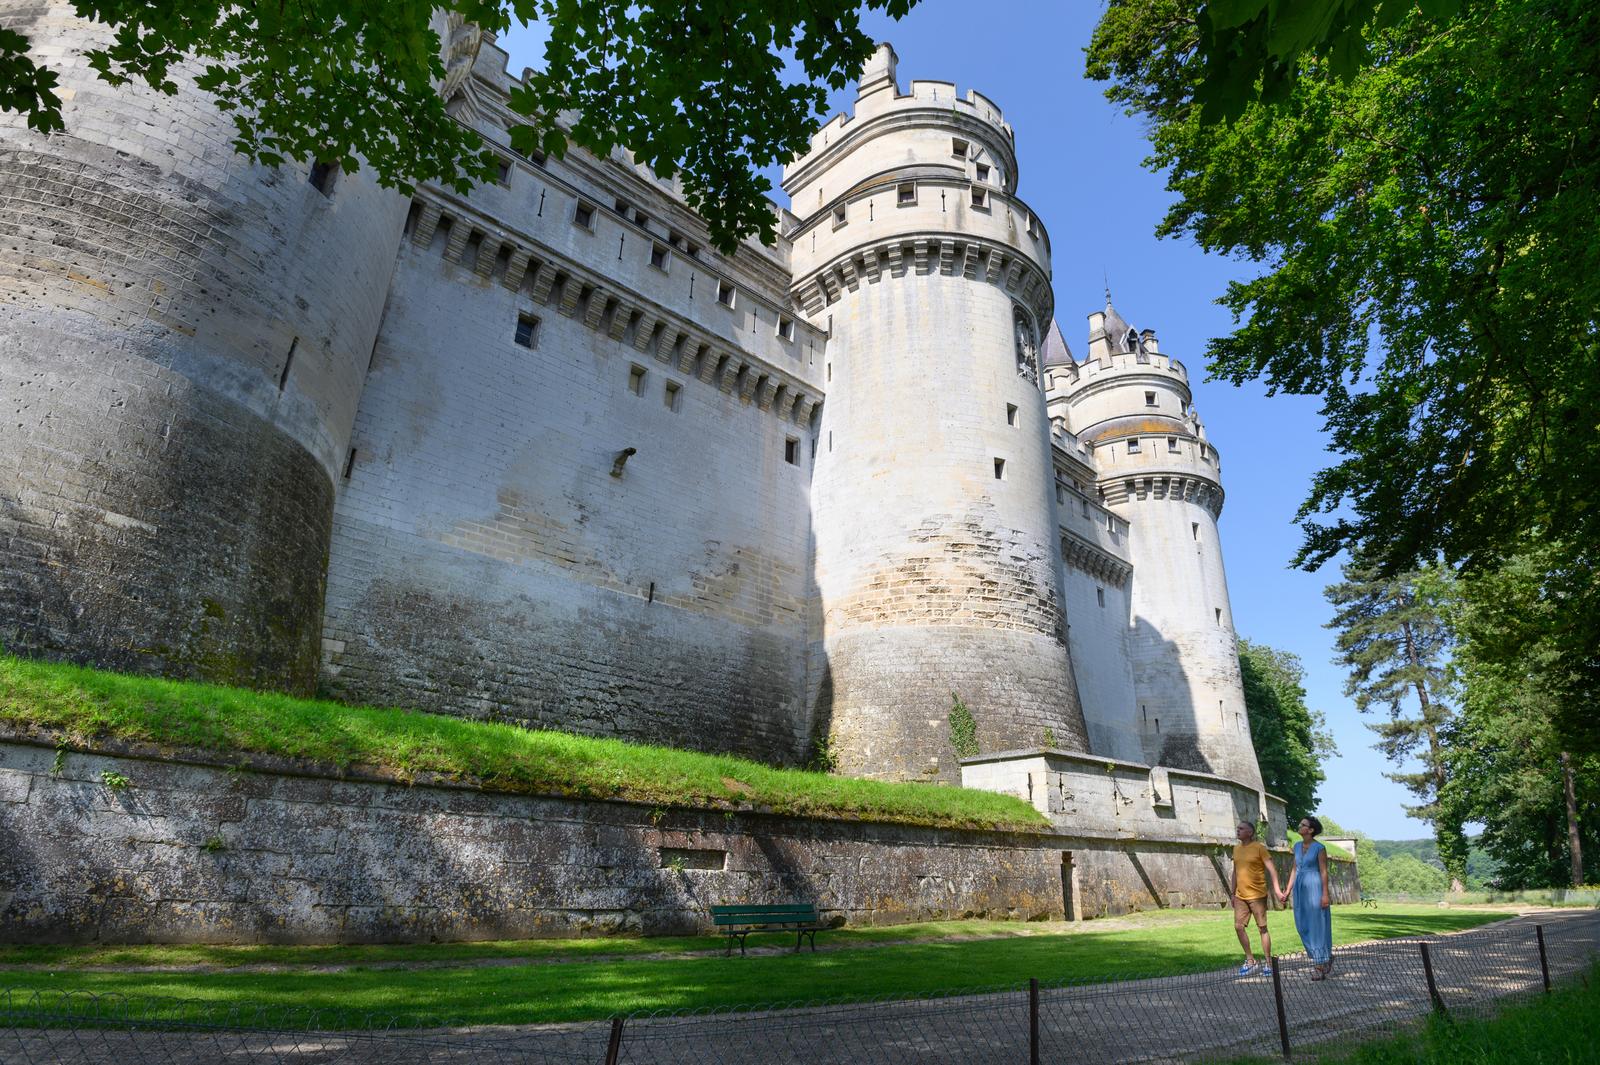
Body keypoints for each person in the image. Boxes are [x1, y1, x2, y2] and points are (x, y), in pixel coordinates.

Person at [1278, 815, 1334, 978]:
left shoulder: (1319, 848)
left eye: (1303, 825)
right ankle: (1326, 957)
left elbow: (1324, 871)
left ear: (1310, 830)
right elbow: (1294, 869)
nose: (1299, 826)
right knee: (1302, 925)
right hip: (1300, 889)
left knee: (1317, 926)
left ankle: (1319, 965)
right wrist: (1287, 890)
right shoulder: (1296, 846)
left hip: (1315, 887)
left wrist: (1325, 894)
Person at [1230, 820, 1283, 976]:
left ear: (1250, 832)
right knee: (1238, 926)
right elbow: (1235, 872)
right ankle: (1250, 960)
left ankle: (1268, 964)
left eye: (1241, 828)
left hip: (1258, 895)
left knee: (1262, 928)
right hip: (1240, 896)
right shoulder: (1236, 849)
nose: (1237, 830)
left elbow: (1272, 870)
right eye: (1237, 828)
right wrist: (1232, 893)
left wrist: (1278, 890)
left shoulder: (1259, 848)